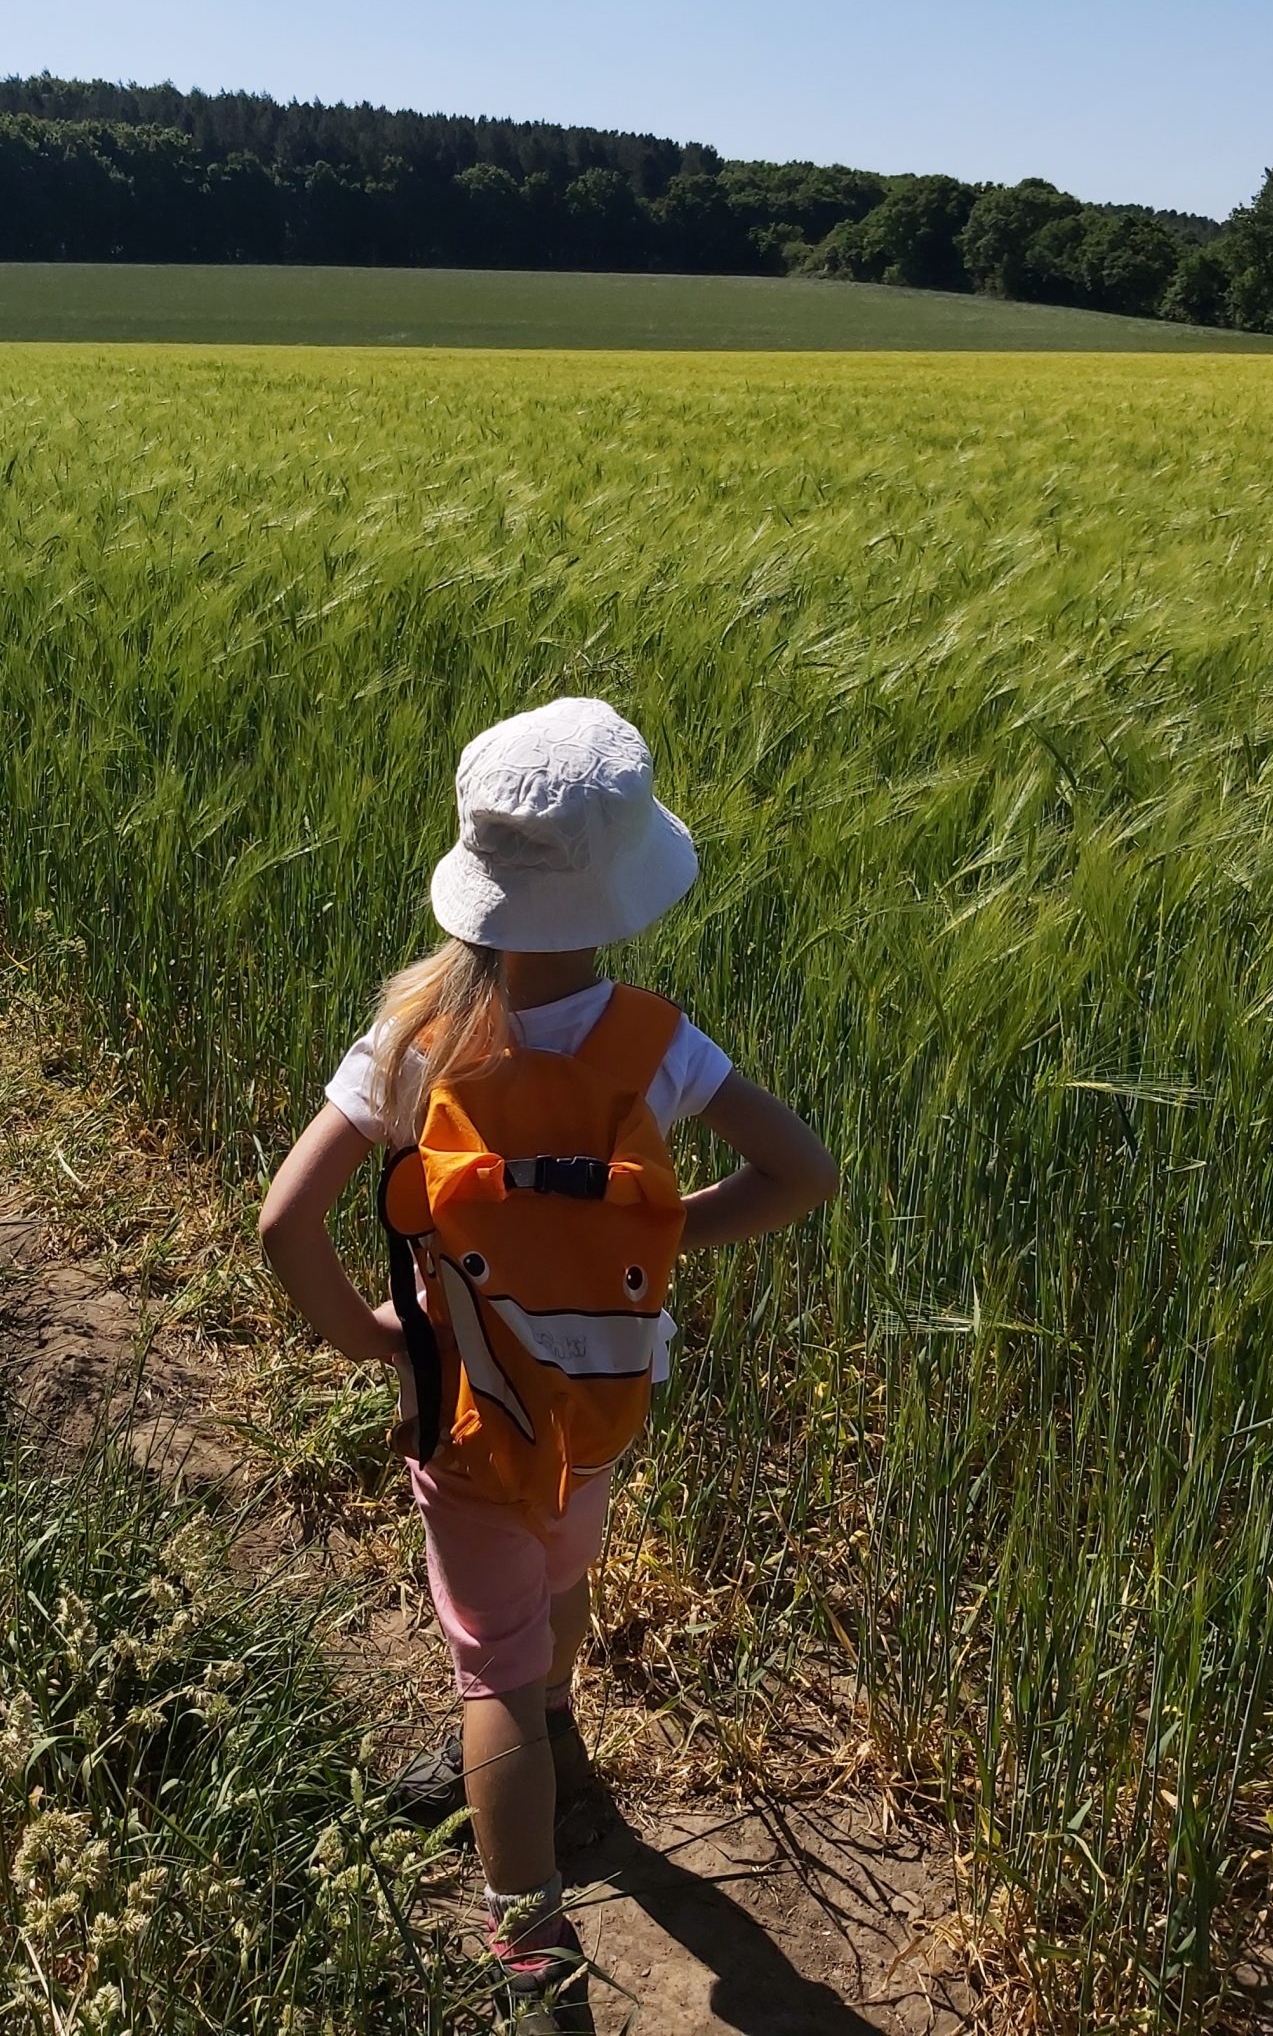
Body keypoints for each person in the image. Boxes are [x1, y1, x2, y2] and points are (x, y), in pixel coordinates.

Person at [258, 697, 838, 2030]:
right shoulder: (655, 1042)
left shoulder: (415, 1042)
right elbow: (805, 1172)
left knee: (488, 1674)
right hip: (604, 1409)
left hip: (473, 1416)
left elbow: (285, 1221)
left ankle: (528, 1938)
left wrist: (369, 1335)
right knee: (563, 1577)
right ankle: (561, 1730)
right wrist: (663, 1232)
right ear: (617, 892)